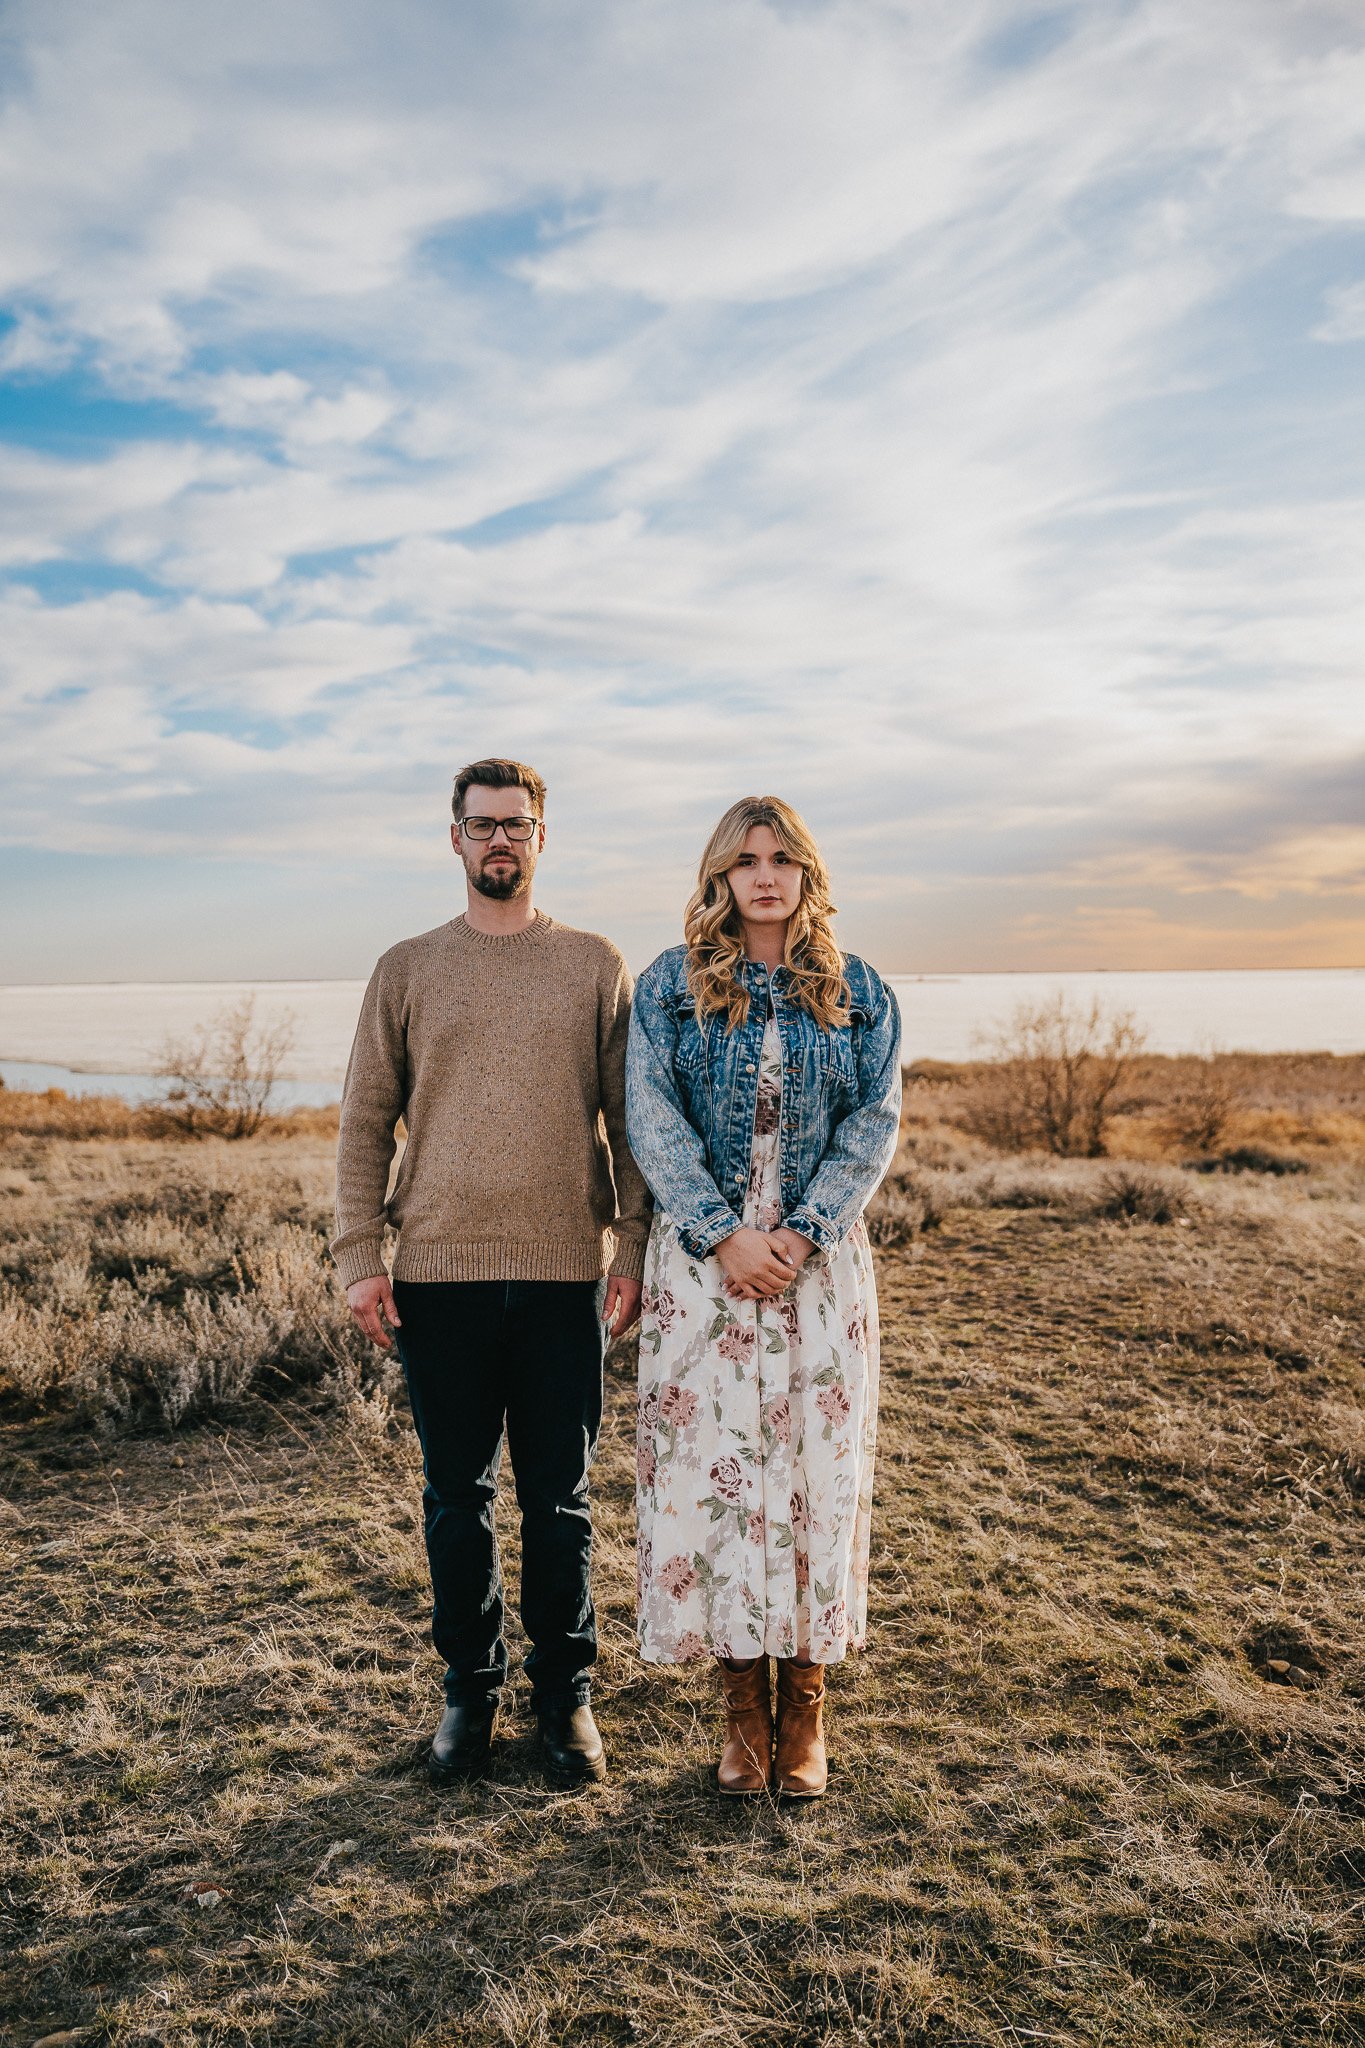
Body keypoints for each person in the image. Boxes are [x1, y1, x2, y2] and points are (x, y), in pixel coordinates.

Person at [333, 758, 650, 1789]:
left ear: (542, 835)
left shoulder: (596, 965)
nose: (499, 839)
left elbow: (633, 1127)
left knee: (559, 1502)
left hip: (565, 1276)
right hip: (440, 1276)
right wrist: (358, 1258)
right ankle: (468, 1693)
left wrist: (634, 1248)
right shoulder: (408, 968)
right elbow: (363, 1124)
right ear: (455, 837)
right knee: (453, 1498)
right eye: (482, 825)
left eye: (516, 823)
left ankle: (567, 1701)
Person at [625, 795, 901, 1798]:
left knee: (813, 1477)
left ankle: (806, 1710)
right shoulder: (669, 985)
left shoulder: (859, 988)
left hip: (818, 1271)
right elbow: (650, 1118)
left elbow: (877, 1121)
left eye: (782, 857)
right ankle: (742, 1710)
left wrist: (800, 1229)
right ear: (720, 877)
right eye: (746, 860)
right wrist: (722, 1231)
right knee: (719, 1481)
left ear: (808, 872)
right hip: (706, 1274)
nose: (765, 875)